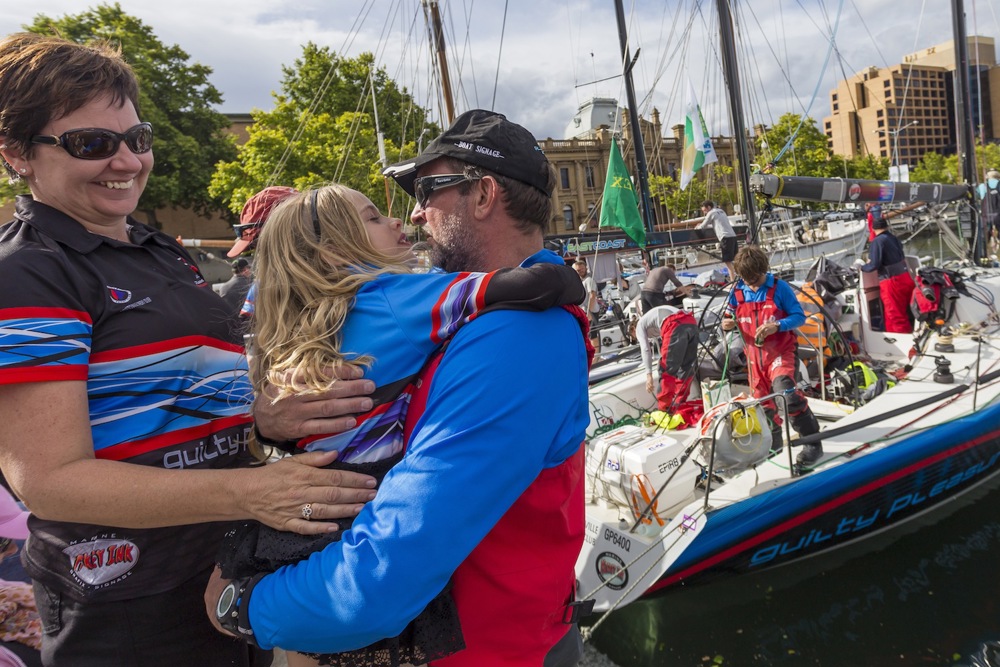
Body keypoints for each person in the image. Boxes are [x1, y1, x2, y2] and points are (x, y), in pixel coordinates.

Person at [0, 33, 375, 667]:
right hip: (130, 602)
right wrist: (251, 494)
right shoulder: (29, 272)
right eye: (91, 144)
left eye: (136, 139)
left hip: (223, 568)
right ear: (17, 154)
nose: (125, 162)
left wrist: (260, 416)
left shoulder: (161, 253)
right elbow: (50, 482)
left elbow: (158, 402)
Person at [207, 109, 593, 666]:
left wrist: (241, 606)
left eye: (428, 188)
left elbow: (382, 576)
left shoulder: (520, 331)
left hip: (484, 651)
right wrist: (271, 419)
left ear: (483, 195)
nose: (413, 212)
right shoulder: (440, 309)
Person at [721, 245, 823, 473]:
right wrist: (727, 324)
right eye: (746, 279)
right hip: (754, 361)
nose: (751, 284)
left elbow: (799, 316)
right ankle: (775, 450)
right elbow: (727, 317)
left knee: (787, 396)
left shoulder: (780, 288)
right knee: (764, 408)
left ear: (763, 270)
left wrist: (777, 325)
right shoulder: (737, 292)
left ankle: (813, 443)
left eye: (755, 278)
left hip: (780, 354)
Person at [228, 186, 300, 319]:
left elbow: (247, 324)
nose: (259, 253)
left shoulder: (263, 288)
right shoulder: (345, 276)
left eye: (257, 244)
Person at [635, 305, 700, 413]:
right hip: (691, 322)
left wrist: (649, 375)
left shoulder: (639, 326)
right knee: (687, 367)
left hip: (674, 324)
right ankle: (680, 403)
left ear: (632, 329)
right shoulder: (651, 320)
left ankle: (664, 409)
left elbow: (646, 349)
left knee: (666, 369)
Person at [857, 217, 915, 333]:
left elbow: (874, 264)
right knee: (908, 312)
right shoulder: (893, 238)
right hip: (905, 277)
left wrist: (861, 268)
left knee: (895, 315)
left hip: (892, 281)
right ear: (886, 226)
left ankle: (902, 343)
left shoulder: (878, 241)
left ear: (873, 229)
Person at [697, 200, 737, 278]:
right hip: (733, 236)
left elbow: (703, 226)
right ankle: (742, 277)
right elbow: (718, 223)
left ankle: (733, 281)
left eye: (705, 211)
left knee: (727, 261)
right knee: (735, 259)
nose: (705, 213)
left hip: (725, 237)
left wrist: (697, 227)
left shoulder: (711, 213)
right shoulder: (721, 211)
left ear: (708, 207)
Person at [574, 256, 602, 350]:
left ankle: (597, 356)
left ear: (586, 268)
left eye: (582, 269)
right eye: (578, 270)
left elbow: (592, 295)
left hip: (591, 311)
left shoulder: (589, 280)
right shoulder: (582, 281)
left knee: (593, 334)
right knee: (589, 334)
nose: (580, 271)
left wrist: (589, 312)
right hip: (586, 311)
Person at [978, 169, 1000, 241]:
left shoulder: (982, 186)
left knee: (984, 239)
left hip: (986, 217)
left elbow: (977, 196)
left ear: (987, 176)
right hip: (999, 216)